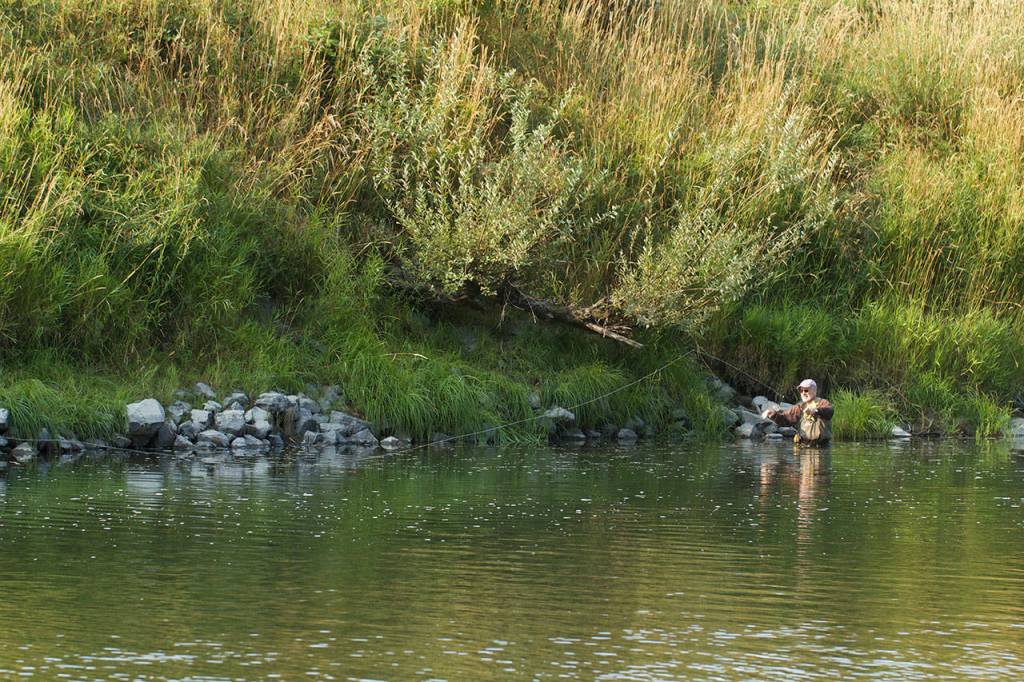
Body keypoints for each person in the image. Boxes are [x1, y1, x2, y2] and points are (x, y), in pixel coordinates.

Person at [766, 379, 834, 445]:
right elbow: (785, 418)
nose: (803, 393)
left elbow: (829, 411)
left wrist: (816, 411)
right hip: (804, 446)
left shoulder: (822, 403)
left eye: (806, 390)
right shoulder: (799, 407)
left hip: (822, 447)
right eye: (801, 390)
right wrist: (774, 415)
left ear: (814, 391)